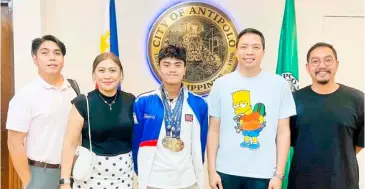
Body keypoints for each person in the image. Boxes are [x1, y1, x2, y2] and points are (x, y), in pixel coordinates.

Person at [207, 28, 296, 189]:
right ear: (236, 52)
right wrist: (211, 171)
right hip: (226, 171)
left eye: (255, 47)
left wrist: (279, 175)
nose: (249, 52)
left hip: (264, 173)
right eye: (244, 47)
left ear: (263, 52)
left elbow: (283, 132)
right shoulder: (221, 84)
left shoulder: (279, 84)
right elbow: (213, 130)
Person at [6, 35, 80, 189]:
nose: (52, 58)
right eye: (45, 53)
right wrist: (29, 182)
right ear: (35, 59)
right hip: (41, 173)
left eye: (57, 53)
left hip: (73, 173)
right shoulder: (26, 95)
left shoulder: (73, 90)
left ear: (63, 59)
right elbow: (14, 143)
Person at [288, 42, 364, 189]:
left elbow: (360, 142)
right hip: (302, 182)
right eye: (315, 61)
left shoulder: (357, 99)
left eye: (328, 60)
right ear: (307, 67)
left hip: (343, 182)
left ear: (337, 64)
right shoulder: (294, 100)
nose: (321, 65)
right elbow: (288, 140)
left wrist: (339, 156)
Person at [132, 45, 208, 189]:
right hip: (153, 181)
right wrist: (141, 174)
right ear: (159, 69)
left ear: (185, 69)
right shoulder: (143, 102)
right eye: (166, 65)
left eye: (177, 65)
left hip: (187, 181)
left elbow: (201, 143)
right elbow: (136, 142)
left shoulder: (199, 104)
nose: (172, 69)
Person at [60, 52, 135, 189]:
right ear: (94, 75)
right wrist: (64, 182)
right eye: (101, 70)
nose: (107, 76)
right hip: (90, 178)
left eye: (113, 70)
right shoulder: (83, 103)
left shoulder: (131, 100)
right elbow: (69, 144)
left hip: (124, 178)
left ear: (121, 75)